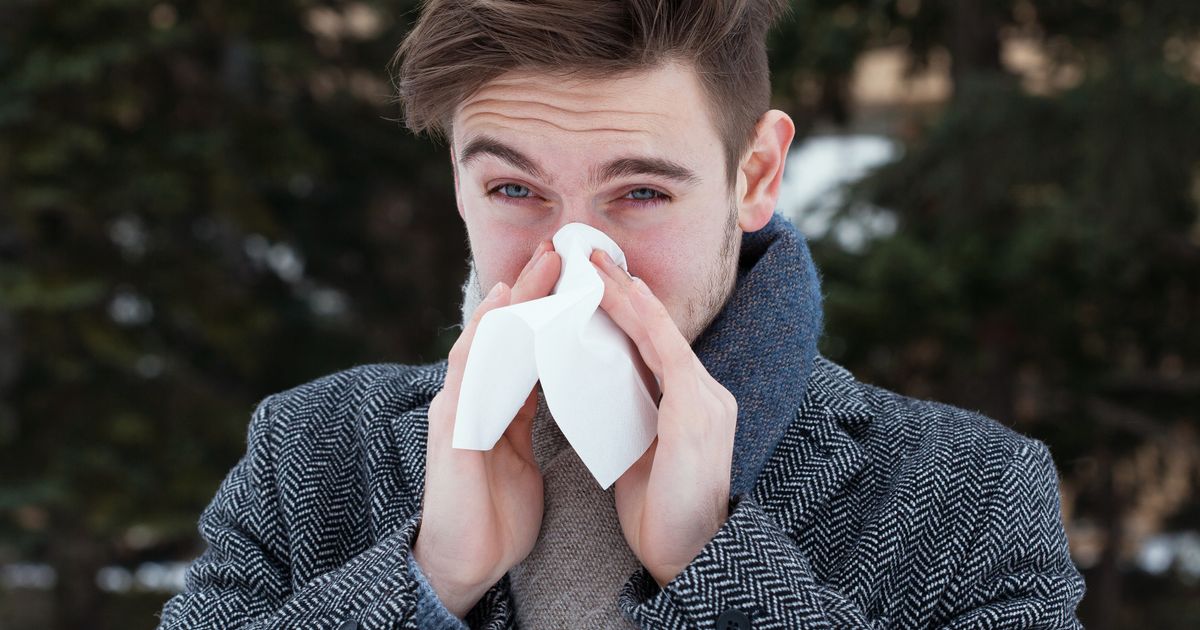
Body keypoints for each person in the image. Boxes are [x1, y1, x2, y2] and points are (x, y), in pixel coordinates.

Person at [156, 1, 1085, 628]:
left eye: (639, 192)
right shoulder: (309, 451)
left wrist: (716, 565)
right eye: (514, 186)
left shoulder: (972, 495)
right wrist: (426, 580)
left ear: (755, 174)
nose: (574, 257)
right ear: (457, 182)